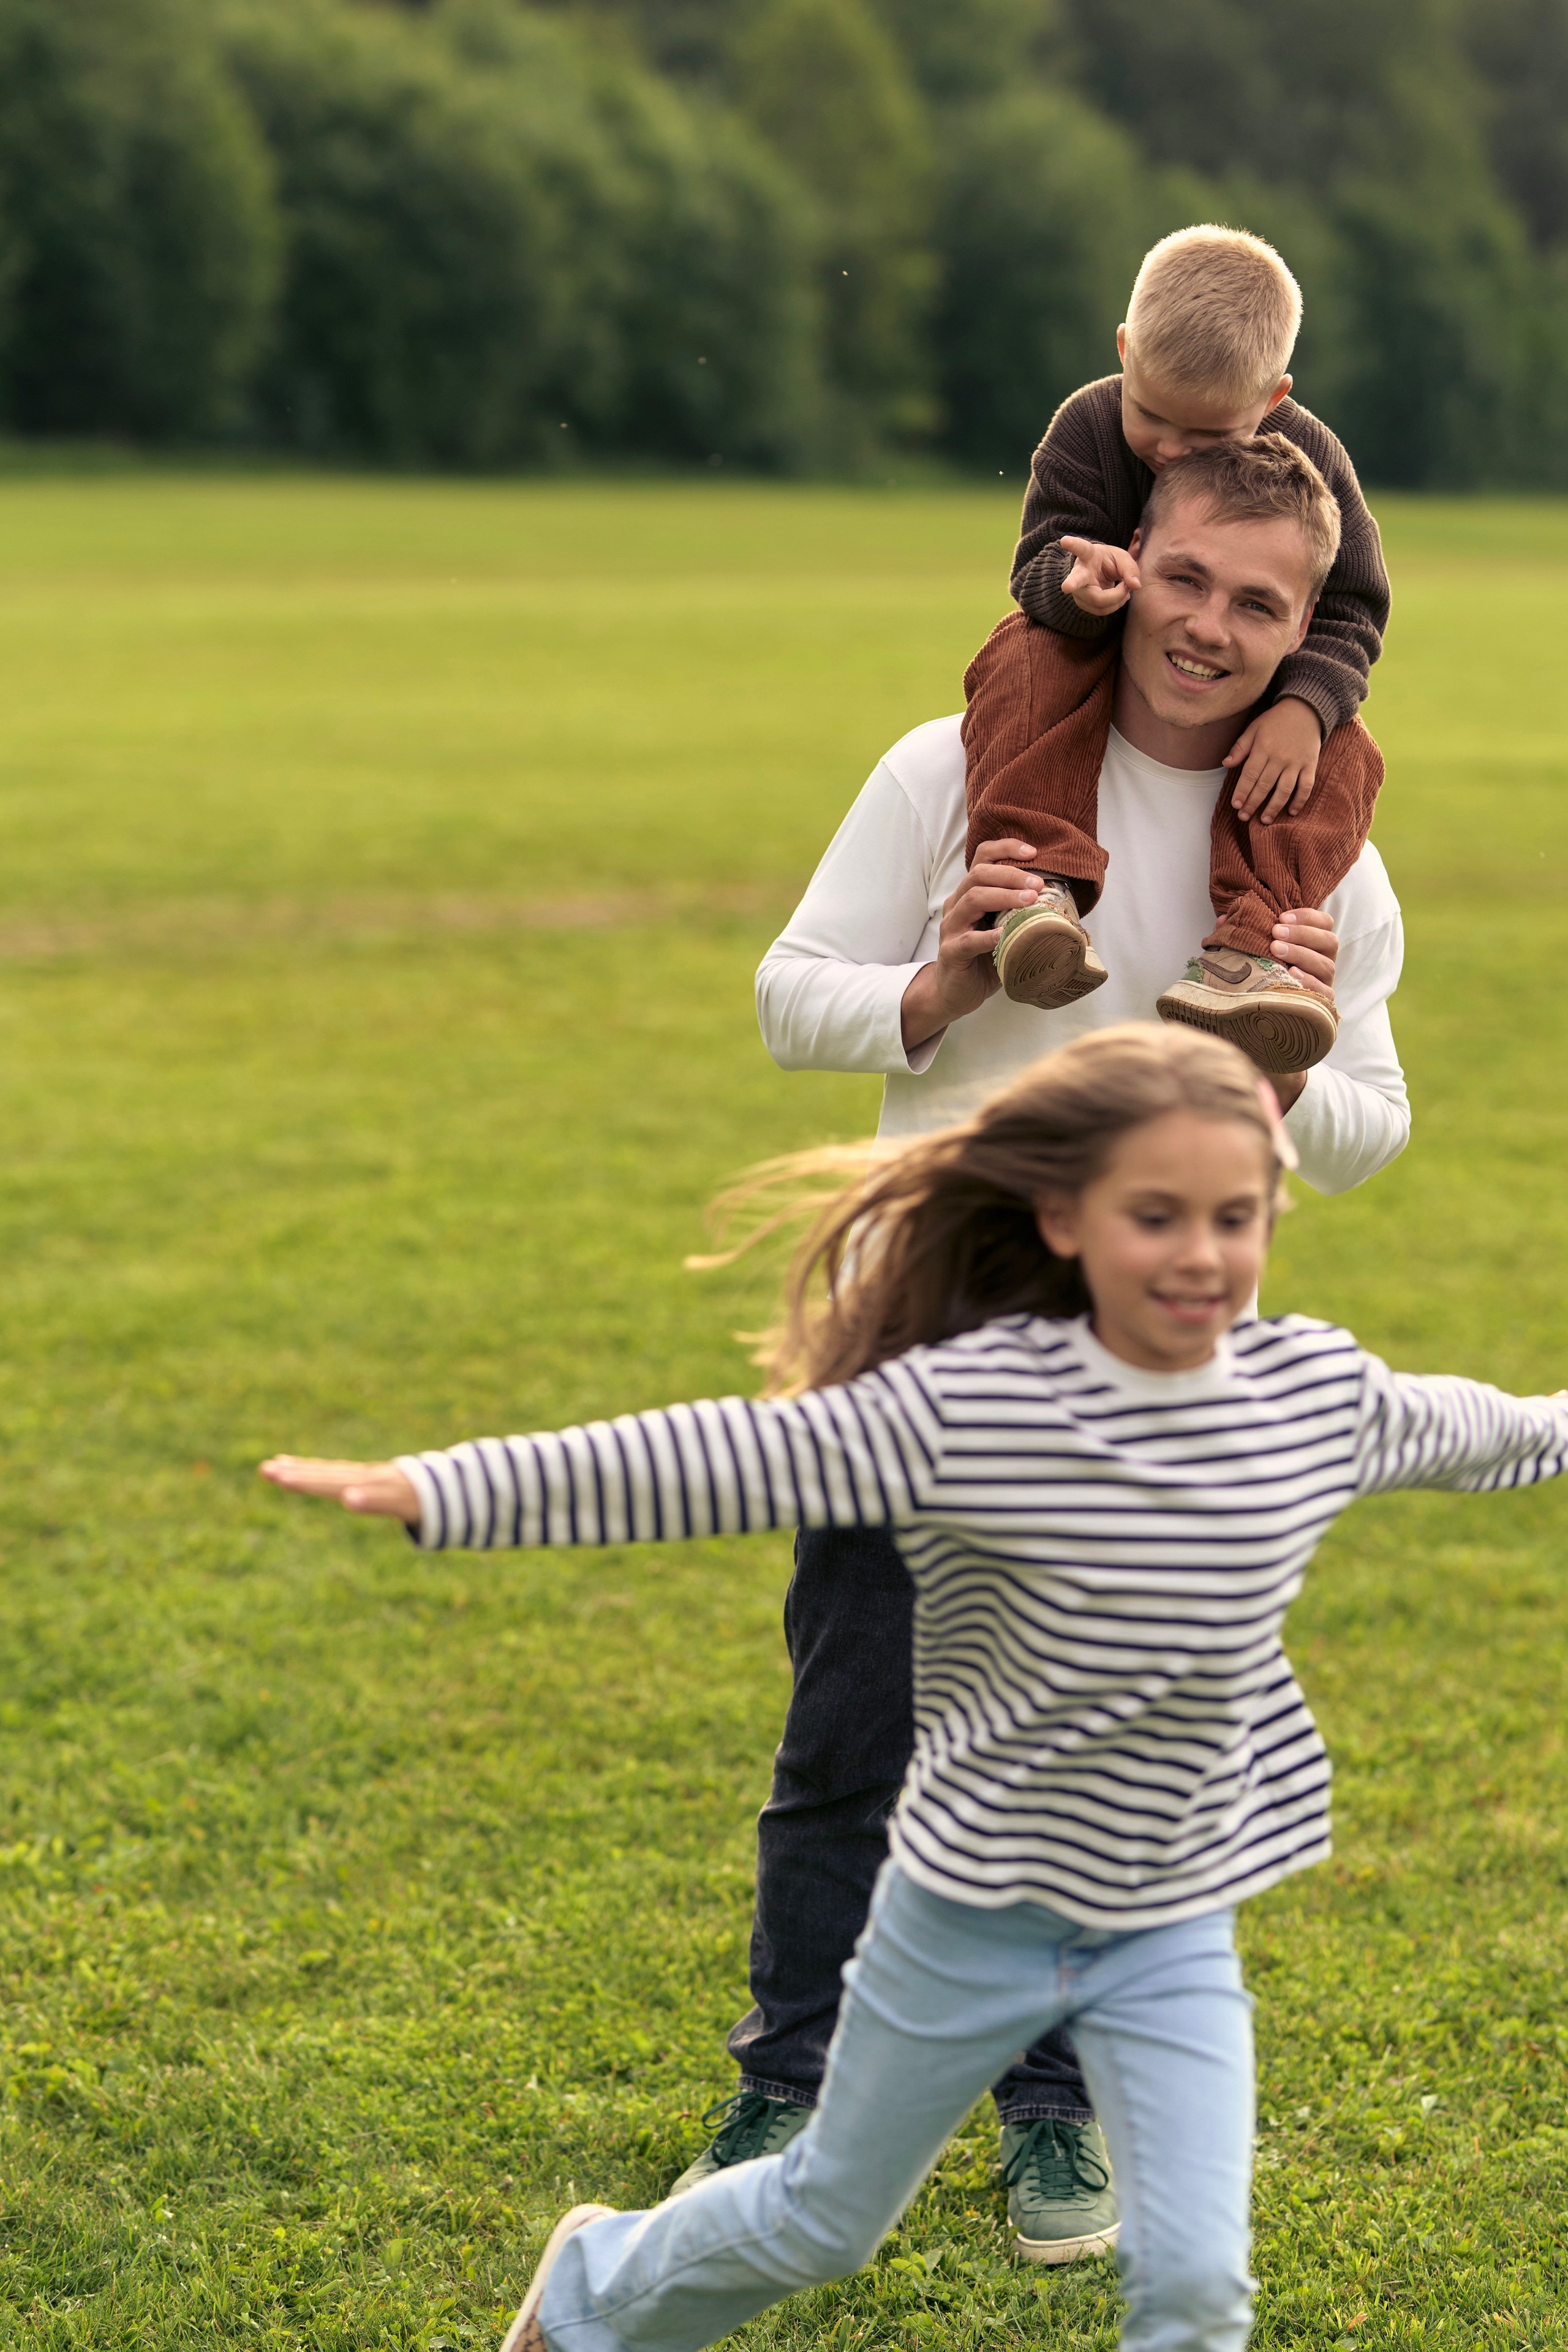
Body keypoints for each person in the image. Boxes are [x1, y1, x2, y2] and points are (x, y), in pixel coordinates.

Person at [258, 1022, 1567, 2352]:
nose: (1198, 1253)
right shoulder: (971, 1407)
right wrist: (444, 1486)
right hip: (969, 1910)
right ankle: (595, 2288)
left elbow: (1496, 1429)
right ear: (1061, 1217)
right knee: (824, 2220)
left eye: (1233, 1217)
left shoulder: (1311, 1394)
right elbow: (722, 1458)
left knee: (1192, 2285)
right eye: (1153, 1215)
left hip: (1166, 1922)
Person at [729, 429, 1409, 2260]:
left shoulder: (1322, 857)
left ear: (1305, 631)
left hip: (1147, 1407)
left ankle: (1052, 2119)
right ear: (1124, 560)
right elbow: (795, 995)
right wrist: (932, 987)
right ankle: (783, 2093)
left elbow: (1373, 1124)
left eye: (1257, 603)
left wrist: (1297, 1070)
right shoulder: (956, 764)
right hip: (923, 1355)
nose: (1207, 626)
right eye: (1185, 577)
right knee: (852, 1740)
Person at [971, 225, 1391, 1070]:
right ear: (1125, 351)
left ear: (1272, 402)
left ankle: (1253, 951)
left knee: (1349, 756)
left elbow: (1351, 607)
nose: (1165, 448)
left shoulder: (1314, 460)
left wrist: (1307, 711)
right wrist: (1074, 588)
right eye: (1150, 414)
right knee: (1021, 649)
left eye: (1204, 442)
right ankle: (1036, 888)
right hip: (1097, 653)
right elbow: (1035, 564)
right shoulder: (1088, 427)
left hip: (1254, 688)